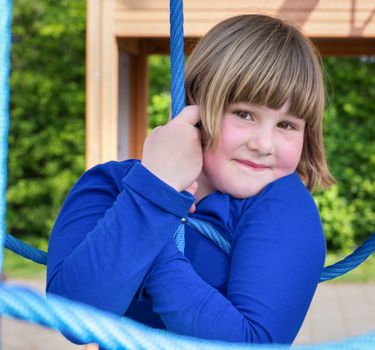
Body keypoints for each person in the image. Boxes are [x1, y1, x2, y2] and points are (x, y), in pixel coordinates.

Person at [46, 14, 334, 344]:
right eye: (244, 114)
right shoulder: (111, 185)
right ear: (196, 103)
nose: (264, 144)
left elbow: (253, 342)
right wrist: (155, 188)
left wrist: (152, 251)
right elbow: (76, 318)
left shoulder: (282, 204)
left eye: (286, 125)